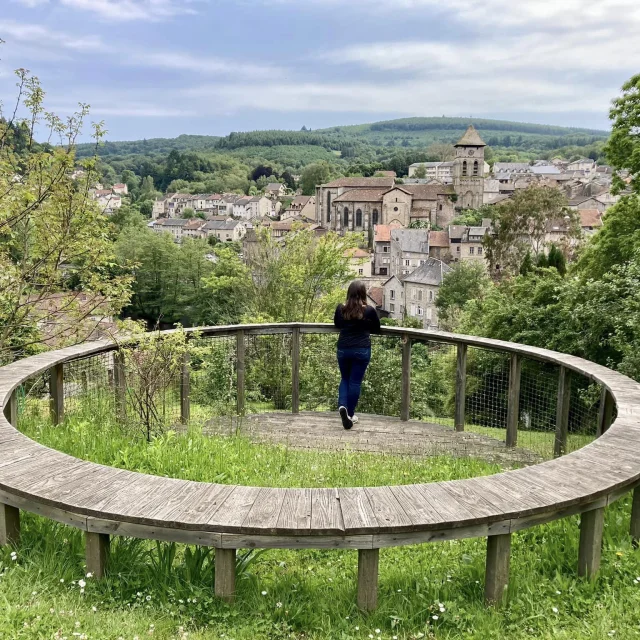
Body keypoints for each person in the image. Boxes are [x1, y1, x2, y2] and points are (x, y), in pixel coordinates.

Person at [333, 280, 381, 429]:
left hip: (343, 348)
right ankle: (350, 415)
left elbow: (337, 325)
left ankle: (343, 407)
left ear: (349, 293)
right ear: (363, 294)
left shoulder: (341, 309)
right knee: (355, 382)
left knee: (345, 379)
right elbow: (377, 328)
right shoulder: (369, 311)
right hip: (361, 349)